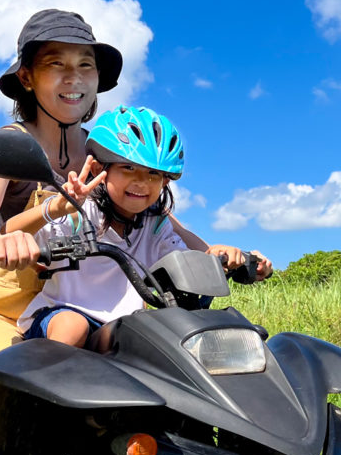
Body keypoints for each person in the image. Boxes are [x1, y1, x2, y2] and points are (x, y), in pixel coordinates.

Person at [0, 8, 240, 374]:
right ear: (26, 76)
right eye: (57, 64)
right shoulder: (11, 143)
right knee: (15, 385)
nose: (74, 78)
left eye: (85, 65)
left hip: (94, 303)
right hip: (3, 306)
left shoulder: (109, 151)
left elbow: (165, 223)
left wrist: (219, 255)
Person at [17, 106, 246, 350]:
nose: (141, 182)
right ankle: (48, 383)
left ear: (165, 180)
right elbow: (11, 233)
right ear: (98, 169)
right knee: (73, 327)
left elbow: (183, 260)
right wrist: (54, 210)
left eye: (153, 173)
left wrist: (222, 257)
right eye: (128, 168)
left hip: (121, 327)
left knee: (153, 340)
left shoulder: (156, 226)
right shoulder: (77, 212)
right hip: (59, 315)